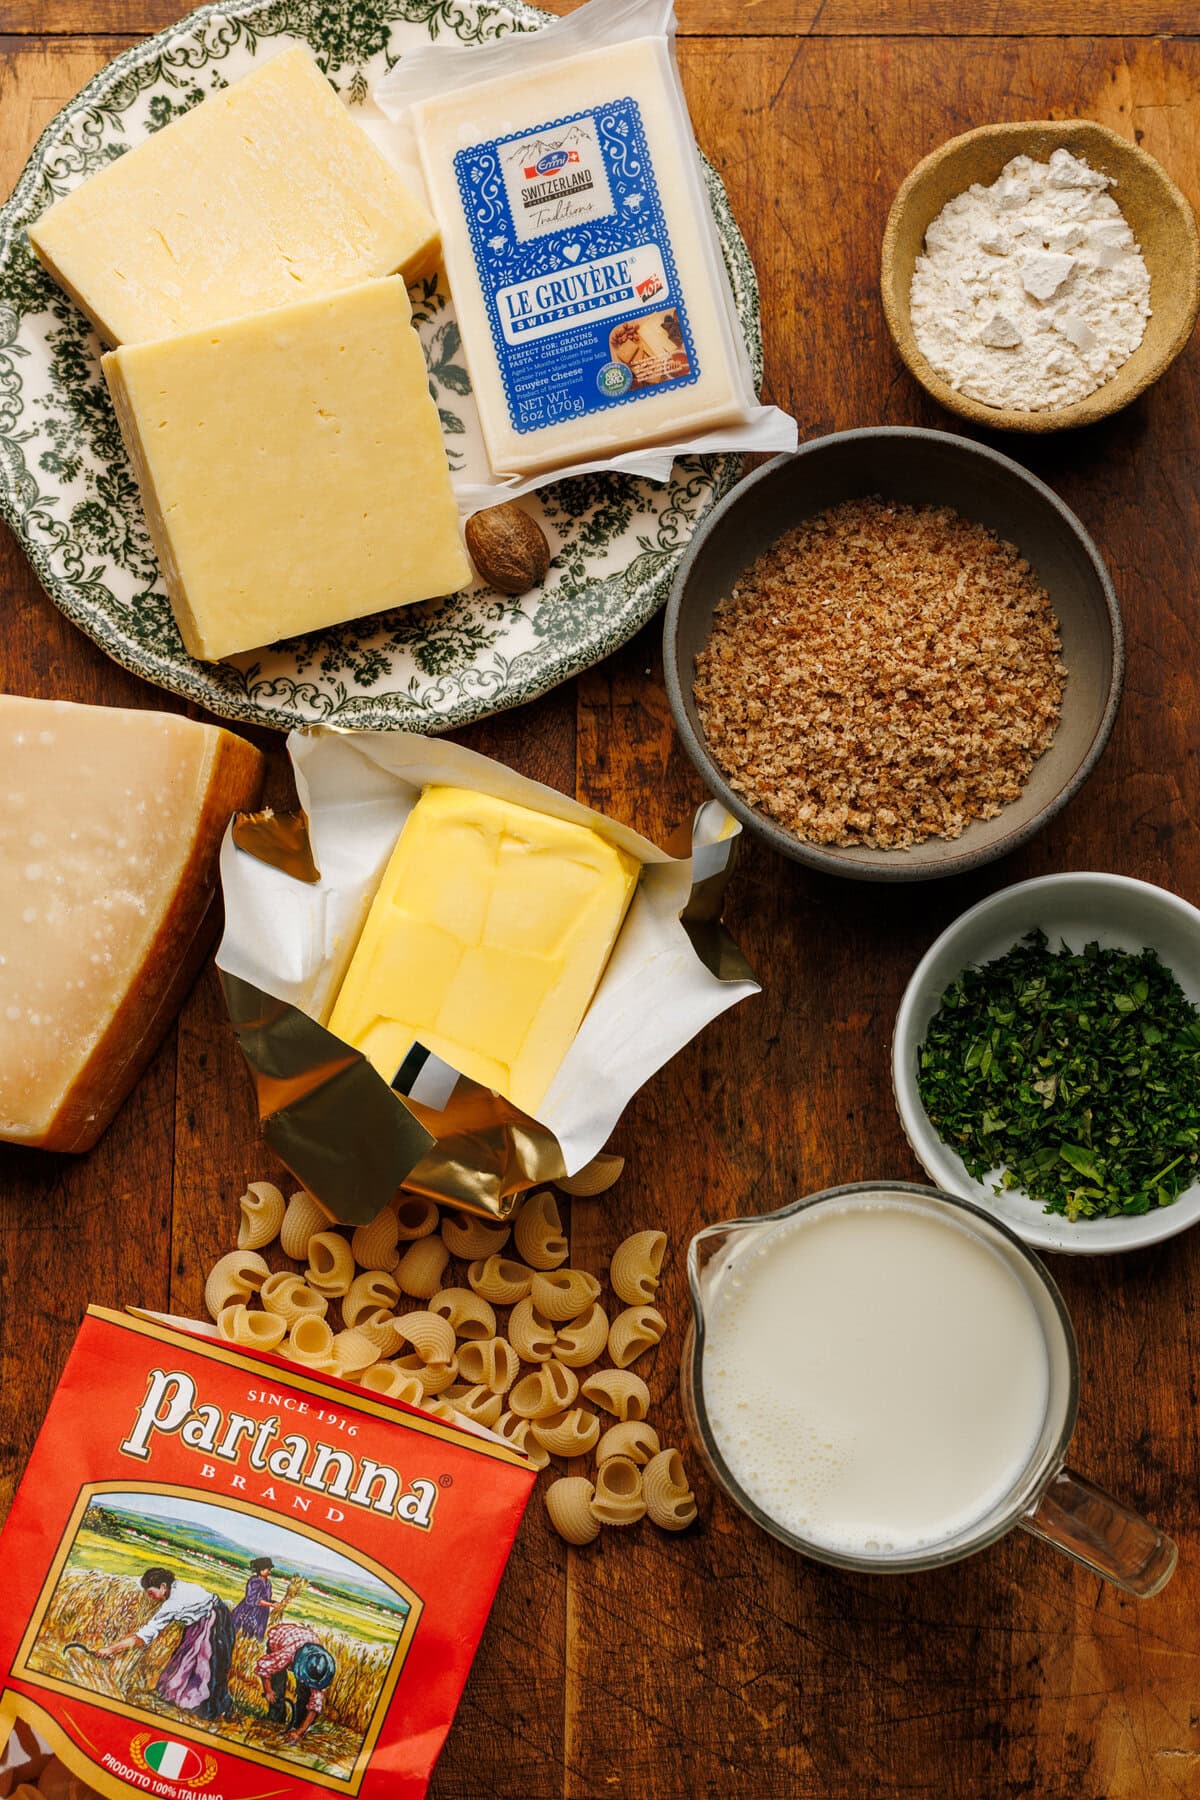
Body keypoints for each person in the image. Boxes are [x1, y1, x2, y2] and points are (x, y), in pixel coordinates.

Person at [97, 1568, 233, 1722]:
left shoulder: (174, 1602)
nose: (152, 1597)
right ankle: (188, 1701)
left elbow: (144, 1635)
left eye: (151, 1592)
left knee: (206, 1666)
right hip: (202, 1622)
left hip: (215, 1623)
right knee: (185, 1661)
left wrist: (111, 1649)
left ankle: (210, 1709)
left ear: (163, 1586)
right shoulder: (176, 1589)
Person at [255, 1623, 336, 1743]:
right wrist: (268, 1691)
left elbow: (315, 1703)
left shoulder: (319, 1666)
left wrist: (299, 1732)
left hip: (303, 1641)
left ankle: (298, 1725)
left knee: (306, 1693)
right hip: (281, 1640)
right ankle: (275, 1720)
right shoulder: (285, 1655)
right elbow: (265, 1667)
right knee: (277, 1684)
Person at [230, 1556, 275, 1641]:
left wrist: (276, 1603)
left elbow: (267, 1599)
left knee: (256, 1637)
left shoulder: (268, 1583)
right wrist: (271, 1604)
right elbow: (251, 1600)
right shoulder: (255, 1581)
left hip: (262, 1614)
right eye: (268, 1569)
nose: (270, 1572)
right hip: (249, 1611)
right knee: (244, 1635)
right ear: (261, 1570)